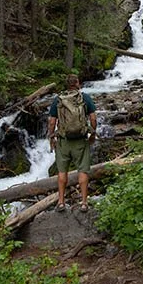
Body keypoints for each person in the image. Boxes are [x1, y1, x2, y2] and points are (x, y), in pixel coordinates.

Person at [48, 74, 97, 212]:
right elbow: (93, 118)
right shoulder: (84, 98)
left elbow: (52, 121)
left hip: (64, 141)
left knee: (62, 171)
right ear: (77, 83)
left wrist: (51, 136)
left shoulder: (58, 99)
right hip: (80, 140)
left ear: (66, 85)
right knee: (83, 170)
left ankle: (61, 202)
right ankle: (84, 203)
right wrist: (92, 133)